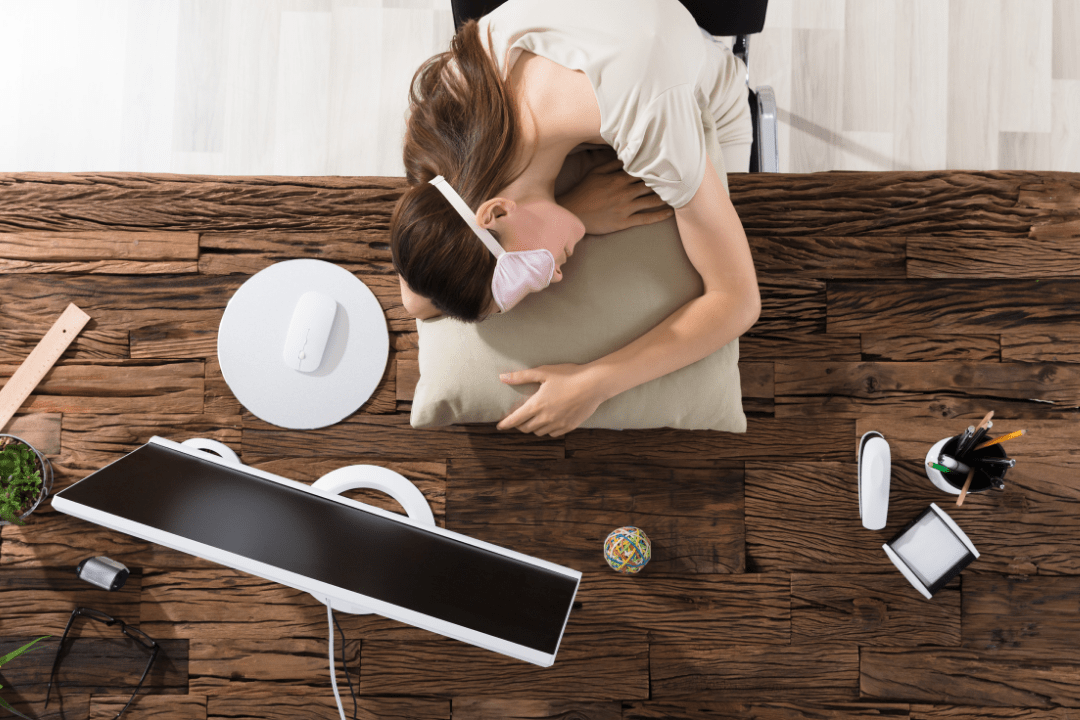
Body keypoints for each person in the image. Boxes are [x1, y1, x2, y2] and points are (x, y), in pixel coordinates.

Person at [390, 0, 761, 438]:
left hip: (702, 101)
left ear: (497, 211)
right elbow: (417, 300)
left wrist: (596, 383)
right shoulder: (448, 108)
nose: (555, 279)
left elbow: (737, 300)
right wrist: (571, 209)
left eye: (524, 276)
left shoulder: (650, 123)